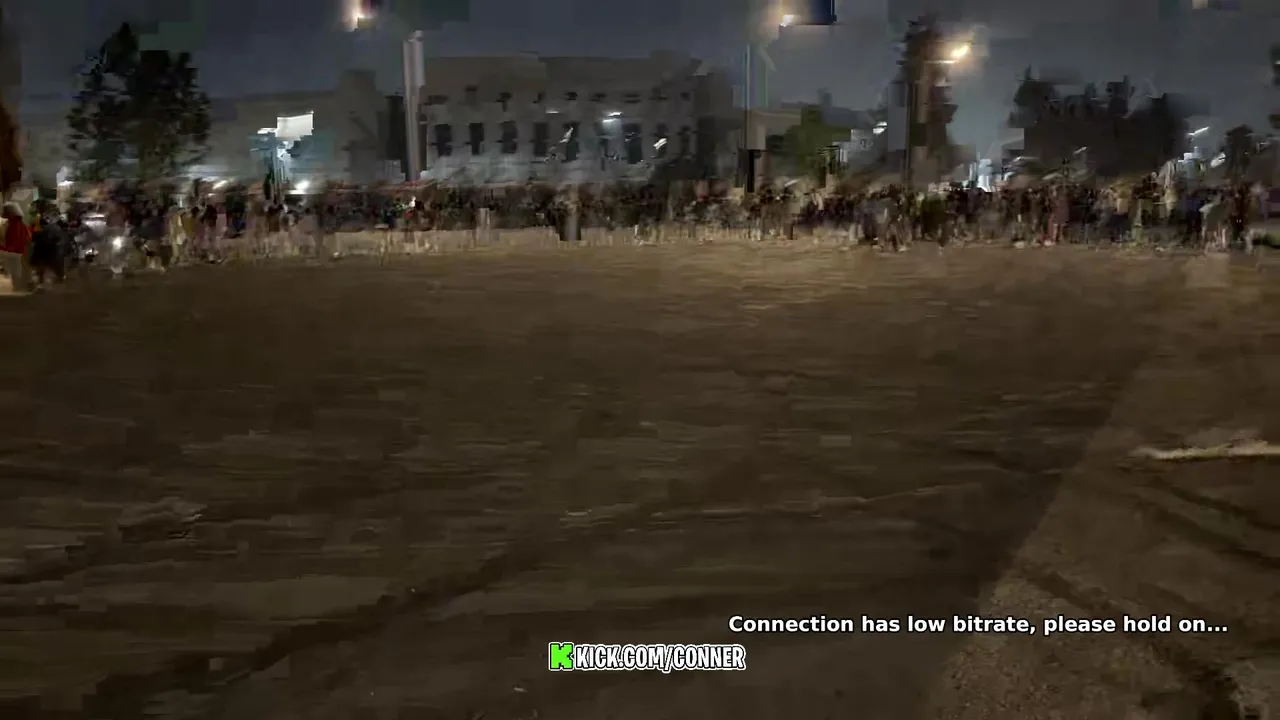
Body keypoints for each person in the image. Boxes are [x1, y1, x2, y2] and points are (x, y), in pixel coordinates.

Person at [1, 202, 33, 292]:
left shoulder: (16, 225)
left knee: (17, 271)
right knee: (19, 271)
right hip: (19, 252)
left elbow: (16, 241)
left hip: (17, 252)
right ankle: (23, 286)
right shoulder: (16, 224)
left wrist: (6, 249)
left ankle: (21, 287)